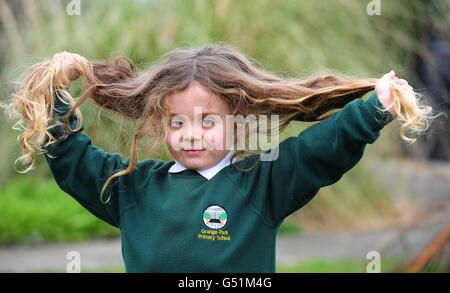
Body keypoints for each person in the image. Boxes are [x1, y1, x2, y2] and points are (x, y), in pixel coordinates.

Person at [6, 45, 434, 272]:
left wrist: (371, 110)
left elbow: (316, 152)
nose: (191, 134)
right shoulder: (134, 187)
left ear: (240, 122)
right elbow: (74, 160)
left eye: (207, 121)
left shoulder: (260, 182)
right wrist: (54, 100)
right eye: (177, 123)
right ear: (161, 125)